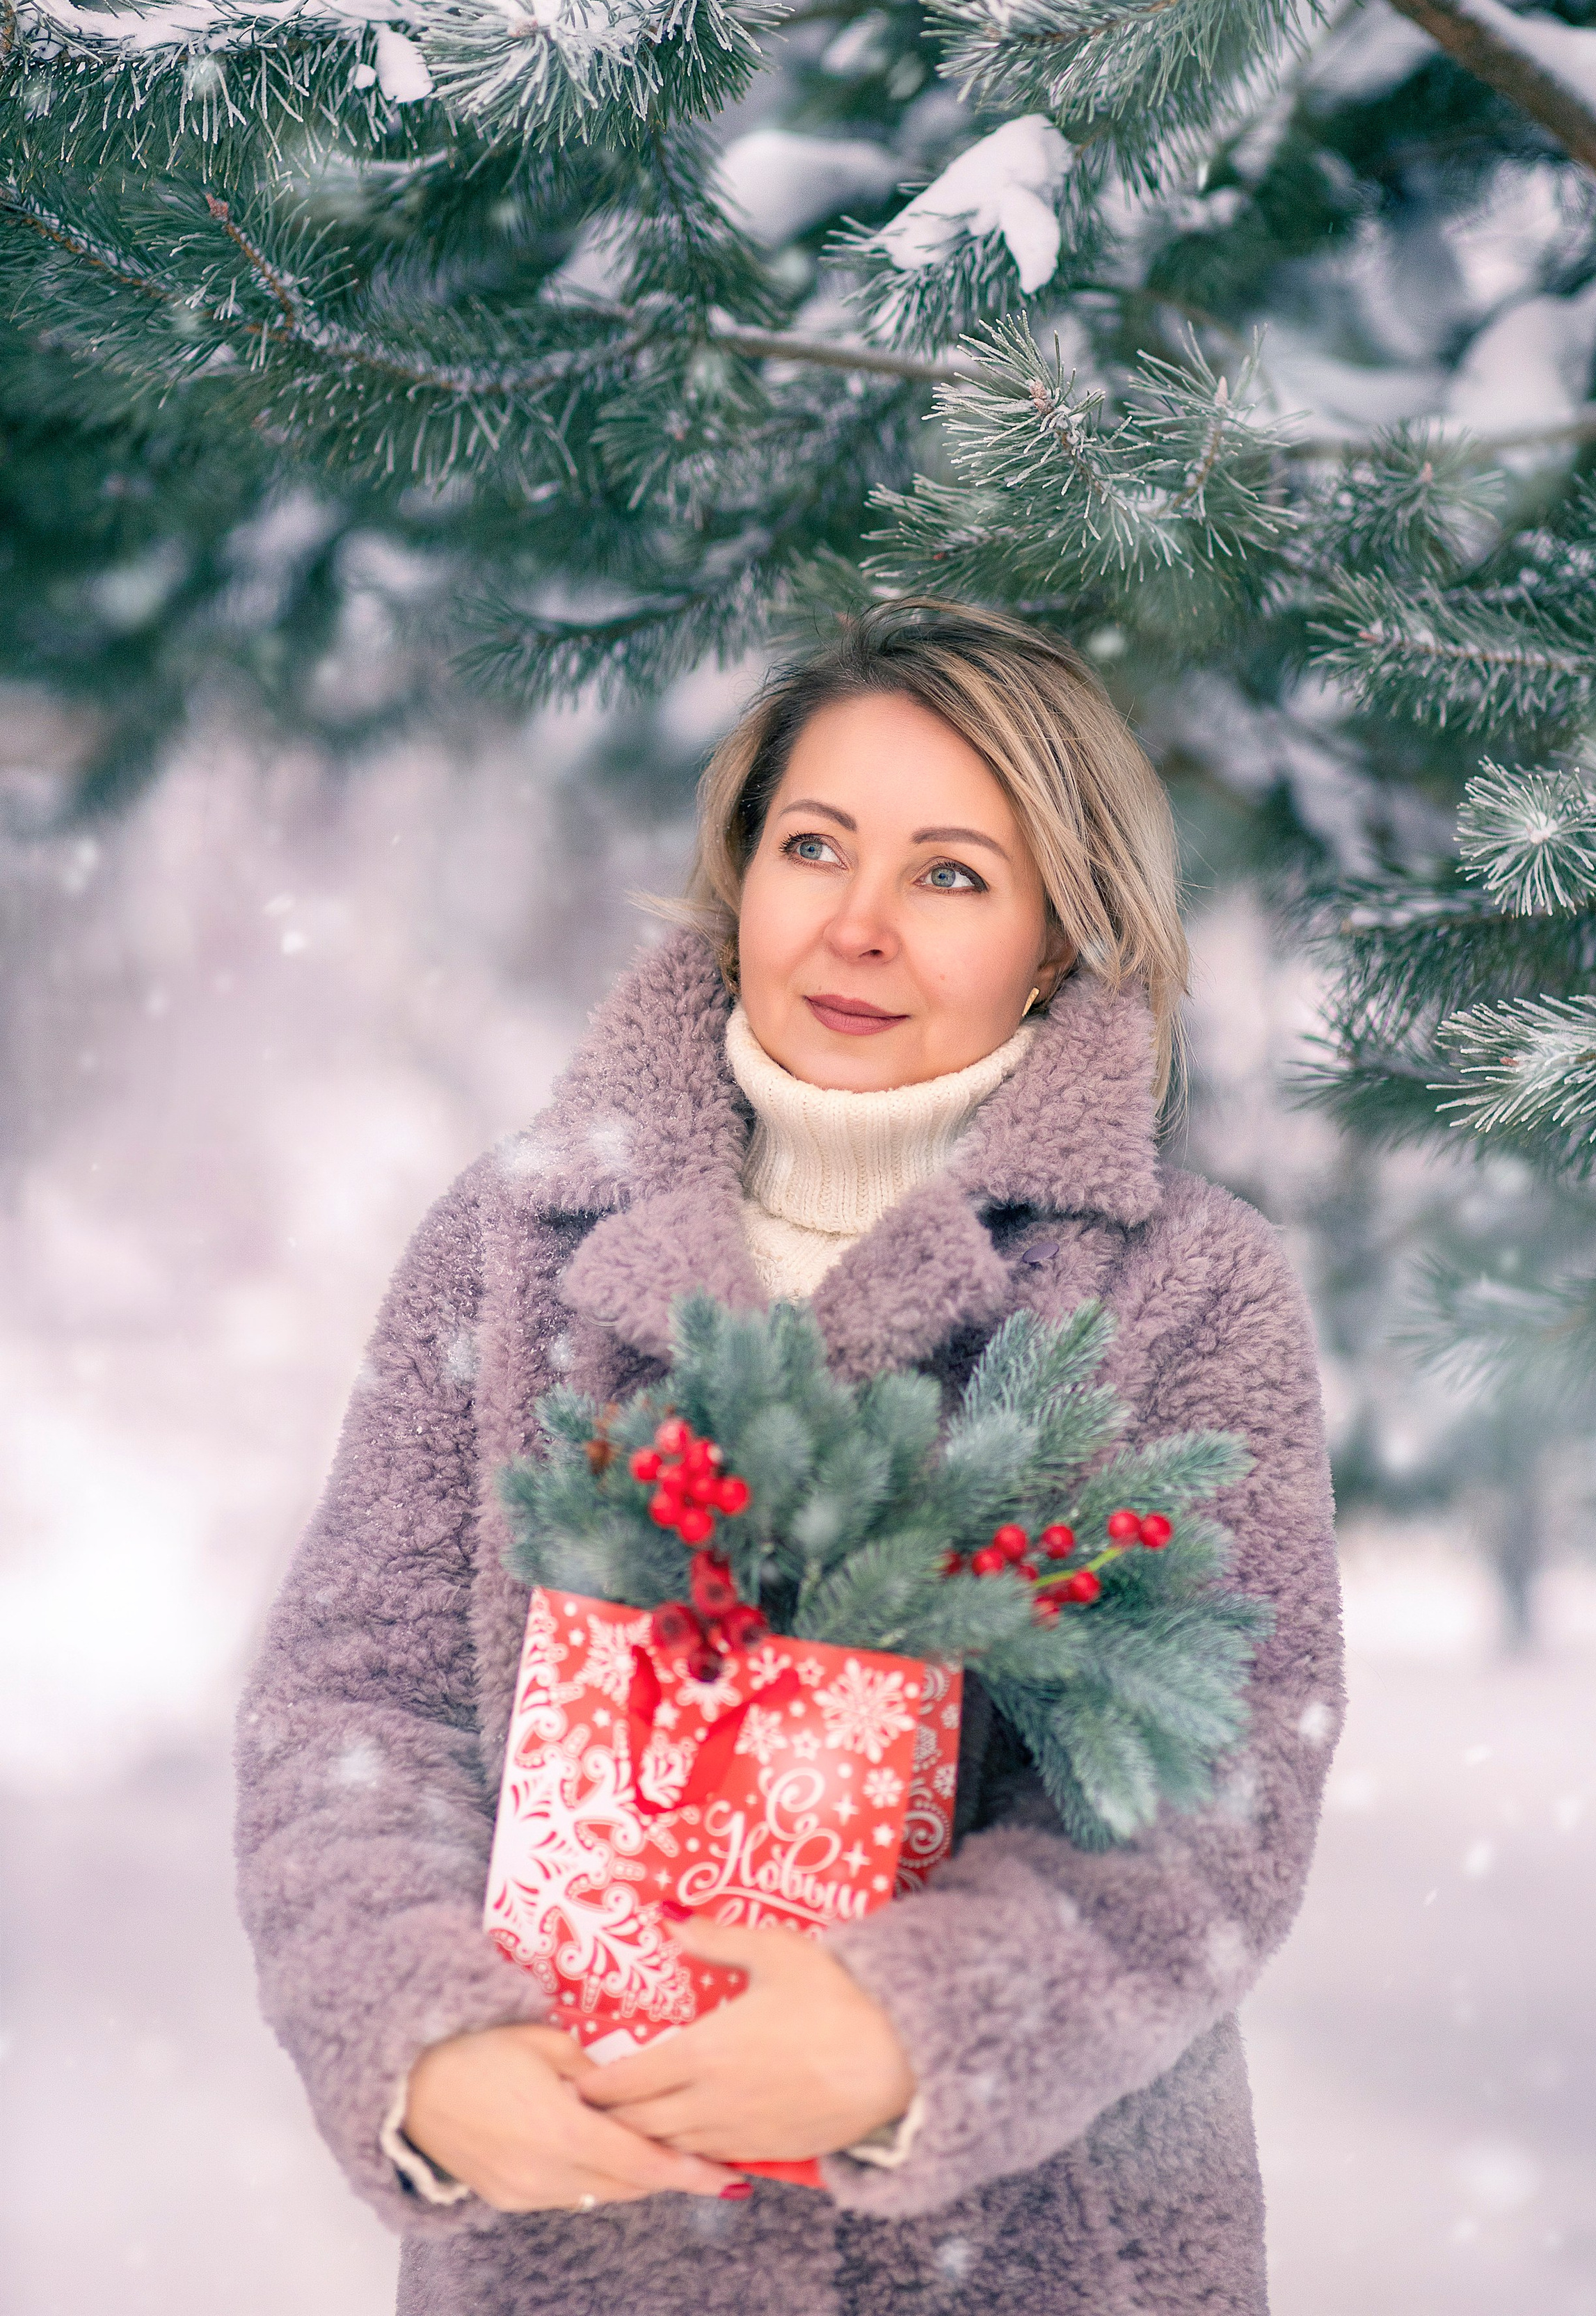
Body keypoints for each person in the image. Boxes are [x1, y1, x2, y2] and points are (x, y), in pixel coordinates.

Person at [236, 600, 1343, 2316]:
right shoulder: (515, 1242)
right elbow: (354, 1710)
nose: (856, 926)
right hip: (579, 2244)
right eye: (812, 846)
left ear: (1061, 938)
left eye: (950, 875)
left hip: (1040, 2260)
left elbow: (1219, 1797)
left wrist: (914, 2028)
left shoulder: (1178, 1287)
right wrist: (419, 2044)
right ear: (739, 871)